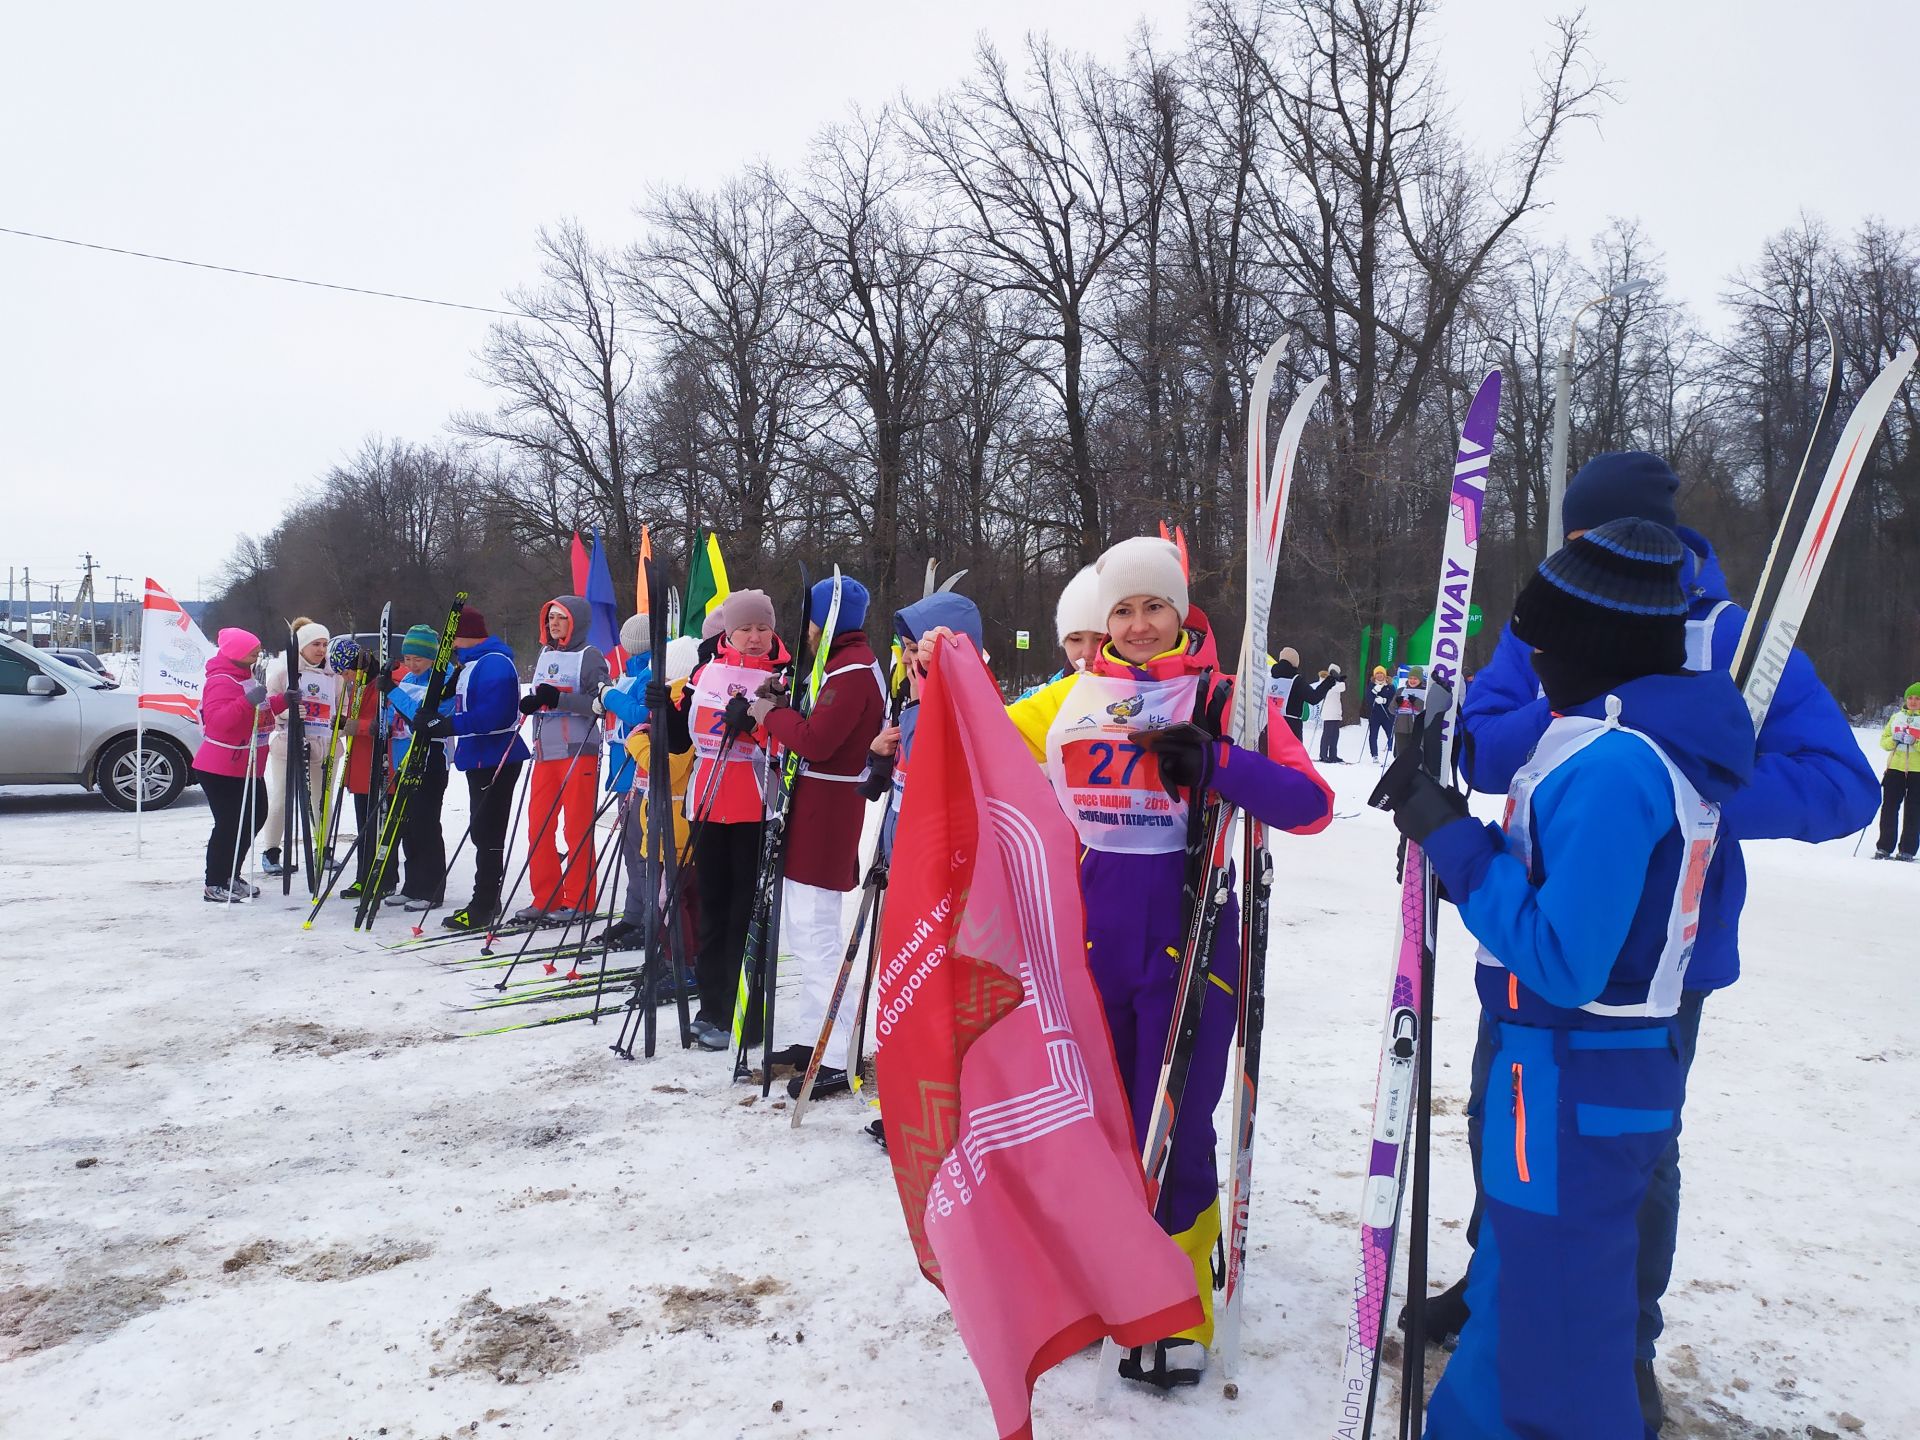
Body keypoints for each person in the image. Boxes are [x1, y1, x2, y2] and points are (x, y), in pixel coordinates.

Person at [1437, 451, 1879, 1429]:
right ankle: (1498, 1287)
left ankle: (1619, 1337)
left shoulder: (1738, 639)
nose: (1586, 554)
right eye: (1576, 540)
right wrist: (1580, 734)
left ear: (1669, 546)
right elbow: (1484, 732)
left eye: (1600, 537)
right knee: (1500, 1120)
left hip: (1663, 957)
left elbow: (1847, 785)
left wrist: (1690, 793)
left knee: (1633, 1153)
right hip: (1525, 919)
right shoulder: (1566, 610)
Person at [1376, 518, 1753, 1439]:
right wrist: (1448, 813)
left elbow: (1563, 957)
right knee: (1518, 1296)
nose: (1532, 661)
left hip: (1576, 1069)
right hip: (1551, 1064)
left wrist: (1455, 844)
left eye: (1541, 644)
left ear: (1593, 646)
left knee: (1552, 1336)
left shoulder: (1617, 765)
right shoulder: (1602, 739)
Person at [1003, 536, 1333, 1389]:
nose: (1140, 624)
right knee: (1095, 1122)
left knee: (1176, 1124)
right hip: (1090, 944)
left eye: (1155, 607)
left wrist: (1222, 763)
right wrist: (936, 673)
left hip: (1189, 937)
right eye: (1123, 610)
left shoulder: (1225, 696)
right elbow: (979, 742)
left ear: (1180, 613)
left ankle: (1177, 1305)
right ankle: (1097, 1279)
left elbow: (1311, 804)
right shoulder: (1072, 695)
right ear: (1101, 621)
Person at [752, 575, 887, 1074]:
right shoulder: (835, 664)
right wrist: (782, 699)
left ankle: (838, 1048)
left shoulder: (852, 668)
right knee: (804, 932)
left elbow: (816, 741)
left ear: (827, 620)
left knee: (816, 933)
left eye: (811, 617)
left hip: (828, 808)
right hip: (814, 805)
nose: (804, 628)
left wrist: (769, 714)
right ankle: (817, 1039)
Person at [665, 589, 789, 1051]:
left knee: (746, 913)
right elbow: (682, 741)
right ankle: (711, 1006)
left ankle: (746, 1013)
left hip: (756, 806)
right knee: (712, 908)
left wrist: (756, 722)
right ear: (729, 632)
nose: (755, 638)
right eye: (745, 629)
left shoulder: (783, 676)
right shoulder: (705, 671)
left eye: (762, 628)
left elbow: (786, 743)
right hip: (708, 804)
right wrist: (666, 710)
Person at [515, 596, 608, 923]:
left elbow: (603, 704)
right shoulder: (546, 653)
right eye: (550, 618)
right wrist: (534, 703)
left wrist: (559, 699)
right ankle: (546, 896)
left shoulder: (590, 656)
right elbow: (544, 695)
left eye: (561, 618)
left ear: (576, 622)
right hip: (545, 750)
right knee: (538, 826)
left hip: (578, 749)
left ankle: (580, 900)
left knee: (576, 828)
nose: (553, 624)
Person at [192, 628, 286, 902]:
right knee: (229, 823)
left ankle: (231, 873)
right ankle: (215, 881)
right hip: (221, 766)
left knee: (255, 817)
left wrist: (283, 701)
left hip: (247, 763)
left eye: (257, 649)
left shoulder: (245, 676)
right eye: (251, 651)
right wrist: (246, 701)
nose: (257, 654)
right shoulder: (221, 680)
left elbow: (262, 707)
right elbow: (219, 721)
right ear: (234, 653)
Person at [373, 625, 450, 910]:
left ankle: (431, 889)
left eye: (418, 658)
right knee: (407, 825)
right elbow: (394, 714)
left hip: (431, 761)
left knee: (426, 824)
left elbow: (422, 715)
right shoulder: (408, 677)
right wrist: (384, 705)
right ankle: (413, 885)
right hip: (403, 761)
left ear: (432, 657)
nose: (411, 664)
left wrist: (393, 692)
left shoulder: (445, 678)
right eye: (407, 658)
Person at [259, 618, 338, 876]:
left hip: (325, 745)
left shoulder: (334, 676)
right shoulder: (283, 673)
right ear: (302, 646)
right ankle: (271, 852)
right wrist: (288, 714)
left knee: (322, 800)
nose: (321, 650)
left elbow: (344, 709)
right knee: (282, 798)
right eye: (316, 644)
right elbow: (269, 709)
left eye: (325, 644)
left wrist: (340, 721)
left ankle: (323, 850)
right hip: (289, 744)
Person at [1874, 681, 1920, 860]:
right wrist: (1894, 740)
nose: (1913, 701)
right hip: (1895, 768)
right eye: (1910, 698)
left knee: (1913, 810)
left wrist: (1915, 742)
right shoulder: (1896, 717)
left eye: (1917, 698)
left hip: (1917, 772)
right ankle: (1884, 847)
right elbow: (1884, 741)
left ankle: (1907, 849)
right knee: (1889, 808)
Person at [1366, 665, 1396, 760]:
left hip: (1387, 715)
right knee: (1373, 735)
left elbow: (1394, 700)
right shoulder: (1371, 685)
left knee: (1390, 734)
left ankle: (1392, 754)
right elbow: (1368, 699)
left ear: (1385, 675)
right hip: (1375, 715)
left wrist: (1384, 701)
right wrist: (1374, 691)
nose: (1379, 675)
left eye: (1381, 673)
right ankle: (1374, 755)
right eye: (1377, 673)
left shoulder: (1390, 686)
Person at [1318, 663, 1347, 763]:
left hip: (1336, 712)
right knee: (1327, 735)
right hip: (1329, 713)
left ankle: (1333, 755)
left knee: (1335, 735)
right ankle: (1323, 754)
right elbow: (1342, 687)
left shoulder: (1335, 682)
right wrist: (1340, 680)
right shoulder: (1326, 682)